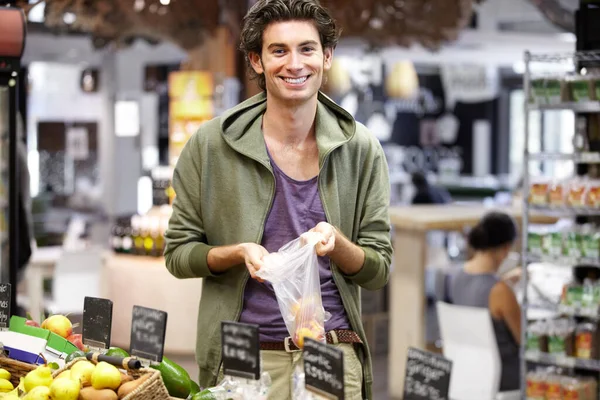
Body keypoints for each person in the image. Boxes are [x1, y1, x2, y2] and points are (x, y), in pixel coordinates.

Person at [163, 1, 393, 399]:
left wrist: (337, 245)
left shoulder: (361, 149)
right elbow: (178, 255)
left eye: (306, 48)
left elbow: (378, 270)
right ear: (256, 60)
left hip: (330, 351)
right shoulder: (210, 146)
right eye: (278, 50)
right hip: (244, 356)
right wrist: (237, 252)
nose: (294, 63)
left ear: (326, 56)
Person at [448, 211, 521, 391]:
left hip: (467, 372)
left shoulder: (455, 276)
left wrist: (505, 280)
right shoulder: (500, 291)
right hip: (504, 377)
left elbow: (480, 289)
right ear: (505, 250)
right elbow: (523, 340)